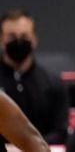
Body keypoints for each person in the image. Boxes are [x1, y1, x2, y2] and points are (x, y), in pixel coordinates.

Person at [0, 9, 68, 145]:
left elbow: (61, 132)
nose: (18, 41)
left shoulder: (53, 84)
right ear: (1, 39)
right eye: (12, 37)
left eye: (24, 36)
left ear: (34, 39)